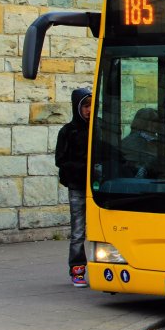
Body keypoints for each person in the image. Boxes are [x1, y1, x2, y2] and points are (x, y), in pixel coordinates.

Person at [55, 87, 91, 286]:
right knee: (78, 230)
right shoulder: (68, 131)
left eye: (91, 106)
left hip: (97, 187)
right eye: (85, 106)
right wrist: (82, 169)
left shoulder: (98, 128)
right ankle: (77, 269)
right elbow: (60, 159)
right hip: (78, 185)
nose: (88, 111)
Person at [121, 108, 165, 179]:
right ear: (145, 122)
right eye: (155, 121)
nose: (158, 125)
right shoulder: (134, 140)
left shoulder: (154, 140)